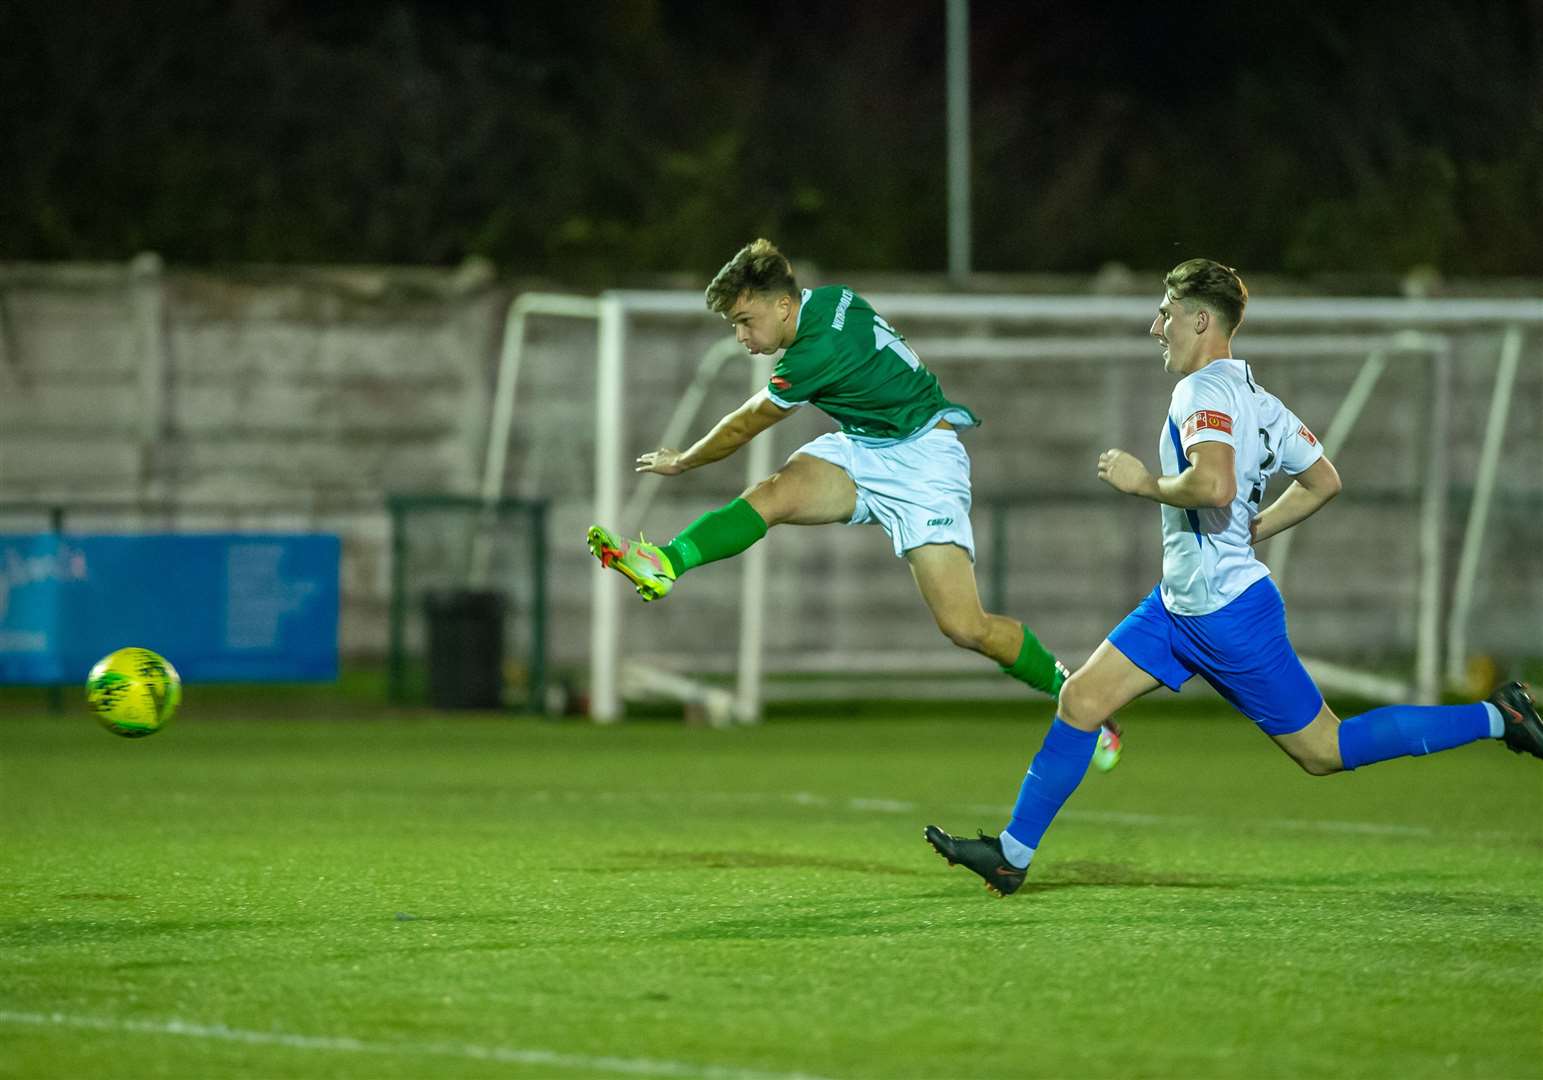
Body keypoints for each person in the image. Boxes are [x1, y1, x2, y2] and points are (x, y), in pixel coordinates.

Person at [924, 257, 1543, 897]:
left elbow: (1214, 483)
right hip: (1176, 608)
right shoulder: (1257, 398)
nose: (1155, 324)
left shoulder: (1201, 392)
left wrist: (1144, 484)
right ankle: (1011, 856)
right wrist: (1256, 528)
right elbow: (1322, 480)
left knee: (1324, 749)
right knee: (1081, 700)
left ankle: (1499, 717)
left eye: (1166, 312)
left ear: (1200, 319)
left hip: (1225, 616)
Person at [585, 237, 1076, 701]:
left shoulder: (814, 352)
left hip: (923, 460)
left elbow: (743, 425)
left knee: (966, 627)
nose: (741, 336)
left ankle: (1072, 693)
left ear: (782, 307)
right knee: (774, 493)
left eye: (744, 321)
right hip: (866, 444)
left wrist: (685, 460)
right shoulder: (833, 299)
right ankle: (667, 562)